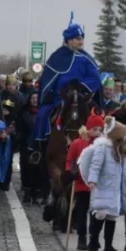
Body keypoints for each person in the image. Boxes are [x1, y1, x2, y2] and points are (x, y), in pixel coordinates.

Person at [30, 13, 103, 162]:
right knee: (42, 114)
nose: (81, 42)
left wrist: (81, 86)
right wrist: (59, 90)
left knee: (101, 116)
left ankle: (103, 148)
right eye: (78, 39)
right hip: (60, 97)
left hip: (82, 96)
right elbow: (48, 80)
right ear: (69, 40)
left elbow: (95, 78)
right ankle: (38, 149)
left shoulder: (86, 58)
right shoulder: (56, 57)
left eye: (81, 39)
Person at [85, 118, 126, 251]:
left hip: (116, 189)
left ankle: (108, 245)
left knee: (112, 216)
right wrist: (92, 180)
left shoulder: (123, 151)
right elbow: (95, 165)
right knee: (100, 213)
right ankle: (93, 240)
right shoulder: (102, 148)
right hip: (103, 186)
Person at [65, 109, 105, 251]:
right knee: (82, 211)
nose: (98, 132)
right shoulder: (77, 143)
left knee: (96, 213)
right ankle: (82, 237)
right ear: (88, 128)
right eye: (95, 129)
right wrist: (70, 171)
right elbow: (70, 160)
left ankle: (93, 237)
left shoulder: (102, 145)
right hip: (81, 183)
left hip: (97, 185)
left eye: (100, 129)